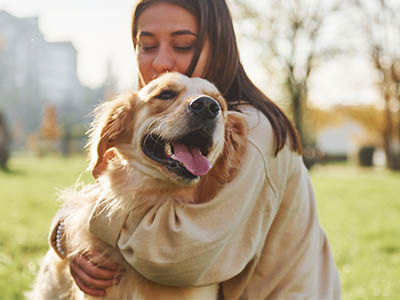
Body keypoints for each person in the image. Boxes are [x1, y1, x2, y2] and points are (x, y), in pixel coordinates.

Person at [49, 0, 341, 298]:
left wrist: (83, 227)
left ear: (222, 49)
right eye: (147, 46)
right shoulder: (159, 127)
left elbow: (176, 256)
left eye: (184, 45)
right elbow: (121, 193)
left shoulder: (251, 129)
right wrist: (67, 235)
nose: (162, 61)